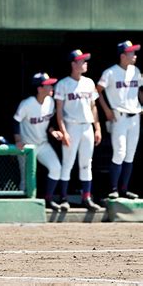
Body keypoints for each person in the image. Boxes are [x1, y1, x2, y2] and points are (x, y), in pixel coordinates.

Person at [54, 50, 102, 211]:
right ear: (73, 64)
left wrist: (97, 128)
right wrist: (64, 131)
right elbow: (59, 111)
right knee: (67, 163)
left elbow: (93, 106)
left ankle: (86, 197)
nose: (85, 63)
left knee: (86, 164)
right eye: (81, 61)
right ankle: (63, 198)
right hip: (71, 126)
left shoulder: (89, 82)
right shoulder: (63, 83)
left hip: (87, 126)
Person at [96, 41, 142, 200]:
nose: (134, 55)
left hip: (135, 115)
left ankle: (124, 189)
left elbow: (139, 91)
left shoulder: (136, 71)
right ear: (122, 56)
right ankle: (114, 189)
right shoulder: (110, 72)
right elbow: (98, 91)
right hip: (119, 116)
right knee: (119, 152)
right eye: (131, 52)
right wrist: (107, 110)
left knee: (130, 154)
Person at [13, 73, 64, 210]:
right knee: (26, 178)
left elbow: (48, 122)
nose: (51, 87)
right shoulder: (27, 104)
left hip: (42, 144)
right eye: (48, 85)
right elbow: (16, 121)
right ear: (39, 88)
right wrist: (18, 139)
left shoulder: (50, 102)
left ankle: (48, 199)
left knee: (56, 168)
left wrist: (53, 131)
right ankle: (23, 206)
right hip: (28, 146)